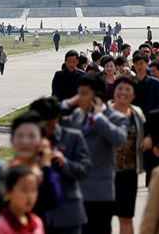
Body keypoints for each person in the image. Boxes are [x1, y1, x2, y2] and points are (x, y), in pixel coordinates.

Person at [0, 112, 61, 234]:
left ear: (42, 141)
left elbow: (52, 202)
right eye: (20, 135)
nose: (25, 141)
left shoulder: (45, 175)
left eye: (31, 136)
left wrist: (46, 167)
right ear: (12, 142)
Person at [61, 74, 127, 234]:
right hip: (75, 193)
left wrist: (98, 118)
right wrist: (66, 104)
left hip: (100, 194)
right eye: (78, 93)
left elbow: (119, 139)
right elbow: (48, 120)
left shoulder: (115, 118)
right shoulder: (76, 115)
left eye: (84, 94)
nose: (79, 98)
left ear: (97, 96)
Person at [30, 97, 92, 234]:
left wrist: (65, 163)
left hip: (68, 214)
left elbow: (85, 170)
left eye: (48, 124)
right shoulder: (28, 142)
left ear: (57, 118)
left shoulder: (73, 137)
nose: (43, 129)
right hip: (36, 212)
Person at [108, 75, 146, 234]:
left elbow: (144, 134)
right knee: (105, 217)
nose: (123, 92)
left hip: (129, 173)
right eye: (120, 88)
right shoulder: (104, 112)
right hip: (106, 173)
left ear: (134, 94)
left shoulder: (137, 114)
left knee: (126, 217)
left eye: (127, 89)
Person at [0, 164, 46, 234]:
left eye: (33, 190)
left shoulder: (37, 222)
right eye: (24, 190)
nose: (30, 196)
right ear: (8, 192)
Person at [132, 51, 159, 116]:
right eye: (137, 64)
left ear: (146, 65)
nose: (139, 66)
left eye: (141, 63)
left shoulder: (156, 84)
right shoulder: (129, 83)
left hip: (152, 120)